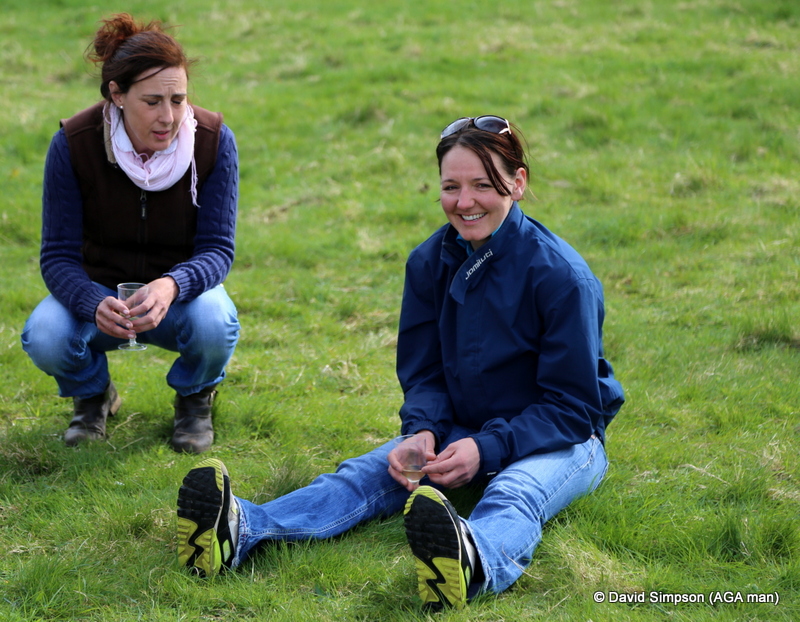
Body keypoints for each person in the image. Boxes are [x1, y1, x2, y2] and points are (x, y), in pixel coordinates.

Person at [176, 115, 624, 609]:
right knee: (367, 474)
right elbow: (425, 372)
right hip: (462, 428)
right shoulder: (428, 262)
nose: (464, 201)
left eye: (483, 184)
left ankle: (474, 560)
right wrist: (424, 430)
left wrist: (488, 448)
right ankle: (241, 528)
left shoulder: (563, 278)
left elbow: (573, 406)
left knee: (514, 491)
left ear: (517, 184)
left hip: (563, 438)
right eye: (451, 186)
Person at [21, 14, 240, 454]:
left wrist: (172, 284)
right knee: (44, 333)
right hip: (99, 297)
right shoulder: (74, 143)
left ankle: (195, 399)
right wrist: (90, 301)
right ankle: (92, 396)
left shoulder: (213, 140)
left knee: (216, 323)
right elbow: (57, 256)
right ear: (117, 95)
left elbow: (217, 249)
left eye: (178, 100)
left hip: (179, 298)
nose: (170, 117)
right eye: (153, 101)